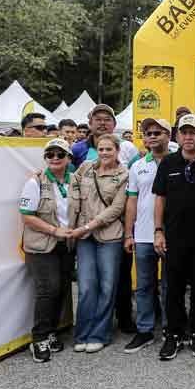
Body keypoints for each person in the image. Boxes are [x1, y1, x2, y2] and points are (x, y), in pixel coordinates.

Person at [154, 114, 195, 361]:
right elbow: (160, 198)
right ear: (178, 136)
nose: (189, 137)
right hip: (174, 237)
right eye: (184, 132)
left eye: (194, 132)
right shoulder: (168, 163)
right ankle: (174, 333)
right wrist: (158, 231)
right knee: (173, 289)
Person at [69, 133, 129, 353]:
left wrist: (88, 225)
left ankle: (99, 334)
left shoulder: (124, 174)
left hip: (109, 236)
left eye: (109, 149)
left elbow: (116, 208)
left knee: (107, 286)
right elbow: (71, 183)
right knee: (85, 287)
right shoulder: (85, 168)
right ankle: (82, 333)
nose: (104, 153)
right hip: (84, 238)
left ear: (117, 151)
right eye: (101, 149)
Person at [19, 138, 76, 362]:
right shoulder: (35, 182)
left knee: (62, 288)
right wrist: (54, 230)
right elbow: (27, 216)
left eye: (60, 154)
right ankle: (39, 338)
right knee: (48, 289)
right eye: (50, 155)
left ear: (69, 158)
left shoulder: (76, 180)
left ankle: (51, 331)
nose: (54, 158)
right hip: (41, 245)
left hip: (67, 244)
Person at [122, 118, 173, 354]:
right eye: (148, 133)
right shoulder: (137, 166)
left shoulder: (177, 161)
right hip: (142, 234)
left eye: (158, 132)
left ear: (168, 135)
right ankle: (144, 330)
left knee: (170, 285)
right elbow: (132, 200)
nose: (152, 136)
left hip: (171, 233)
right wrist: (128, 233)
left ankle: (170, 328)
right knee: (144, 286)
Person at [71, 104, 139, 168]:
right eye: (98, 119)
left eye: (107, 120)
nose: (102, 123)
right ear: (90, 124)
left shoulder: (128, 147)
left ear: (114, 124)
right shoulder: (77, 149)